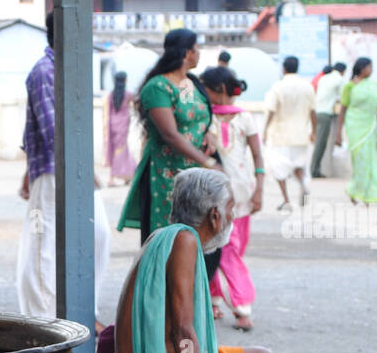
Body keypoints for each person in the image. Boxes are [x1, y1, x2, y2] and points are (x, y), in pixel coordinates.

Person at [110, 168, 275, 353]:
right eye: (231, 208)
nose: (234, 216)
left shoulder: (167, 236)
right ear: (215, 216)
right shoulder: (183, 242)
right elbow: (183, 332)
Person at [19, 10, 107, 318]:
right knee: (43, 248)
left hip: (73, 171)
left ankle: (84, 312)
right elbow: (53, 130)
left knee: (98, 235)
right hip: (55, 172)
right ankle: (44, 320)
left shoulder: (68, 70)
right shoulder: (45, 71)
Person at [117, 28, 216, 240]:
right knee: (167, 238)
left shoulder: (190, 84)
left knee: (195, 236)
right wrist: (207, 162)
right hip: (165, 173)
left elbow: (198, 117)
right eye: (197, 48)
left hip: (194, 174)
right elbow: (170, 134)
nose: (199, 53)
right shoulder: (158, 87)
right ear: (187, 53)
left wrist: (209, 132)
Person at [202, 66, 264, 332]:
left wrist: (260, 186)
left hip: (241, 191)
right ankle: (241, 306)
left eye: (206, 87)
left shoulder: (245, 118)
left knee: (231, 248)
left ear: (221, 90)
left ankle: (217, 299)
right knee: (220, 247)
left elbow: (258, 156)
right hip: (214, 192)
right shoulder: (203, 118)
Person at [335, 57, 377, 205]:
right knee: (359, 161)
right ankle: (358, 190)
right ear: (361, 68)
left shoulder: (372, 85)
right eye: (368, 67)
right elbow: (343, 110)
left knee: (370, 161)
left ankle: (365, 192)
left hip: (370, 127)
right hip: (355, 128)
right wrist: (338, 133)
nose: (370, 70)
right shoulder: (350, 87)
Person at [262, 55, 316, 211]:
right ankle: (304, 185)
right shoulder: (307, 87)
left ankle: (286, 199)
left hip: (280, 134)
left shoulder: (277, 87)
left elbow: (271, 110)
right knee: (299, 166)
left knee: (279, 170)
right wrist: (314, 132)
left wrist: (265, 130)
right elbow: (313, 112)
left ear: (283, 68)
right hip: (301, 134)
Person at [310, 62, 346, 178]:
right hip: (325, 113)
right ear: (342, 71)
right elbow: (344, 98)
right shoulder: (339, 79)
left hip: (317, 111)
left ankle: (315, 170)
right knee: (320, 143)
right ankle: (313, 171)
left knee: (319, 143)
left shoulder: (324, 78)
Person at [105, 71, 136, 186]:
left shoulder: (111, 95)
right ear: (125, 81)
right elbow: (138, 102)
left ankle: (125, 175)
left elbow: (108, 111)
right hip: (123, 125)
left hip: (112, 124)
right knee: (121, 150)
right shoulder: (127, 94)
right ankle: (112, 178)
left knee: (116, 149)